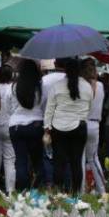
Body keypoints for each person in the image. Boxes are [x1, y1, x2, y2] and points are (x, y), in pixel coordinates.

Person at [44, 58, 93, 194]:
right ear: (80, 70)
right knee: (76, 162)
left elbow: (49, 109)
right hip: (79, 127)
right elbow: (89, 107)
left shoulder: (57, 86)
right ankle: (76, 193)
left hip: (58, 128)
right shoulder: (87, 86)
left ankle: (58, 193)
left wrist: (47, 128)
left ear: (64, 69)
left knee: (59, 162)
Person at [9, 59, 46, 189]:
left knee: (20, 161)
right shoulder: (40, 87)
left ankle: (22, 191)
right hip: (35, 125)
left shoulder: (13, 87)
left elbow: (9, 107)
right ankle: (37, 187)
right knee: (38, 161)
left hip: (16, 126)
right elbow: (43, 105)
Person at [79, 58, 106, 195]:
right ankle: (102, 189)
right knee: (94, 159)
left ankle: (81, 190)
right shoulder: (100, 86)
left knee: (81, 158)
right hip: (95, 124)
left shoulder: (80, 85)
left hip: (81, 123)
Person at [0, 64, 17, 193]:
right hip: (8, 125)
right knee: (9, 159)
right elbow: (13, 109)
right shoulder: (12, 89)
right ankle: (10, 190)